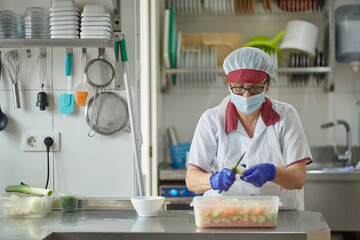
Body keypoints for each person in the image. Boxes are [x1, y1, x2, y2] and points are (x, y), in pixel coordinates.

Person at [185, 47, 312, 210]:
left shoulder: (286, 116)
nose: (246, 96)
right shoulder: (212, 120)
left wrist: (272, 173)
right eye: (238, 87)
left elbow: (298, 178)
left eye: (255, 88)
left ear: (267, 86)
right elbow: (191, 179)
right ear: (228, 84)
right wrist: (213, 180)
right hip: (226, 214)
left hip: (281, 216)